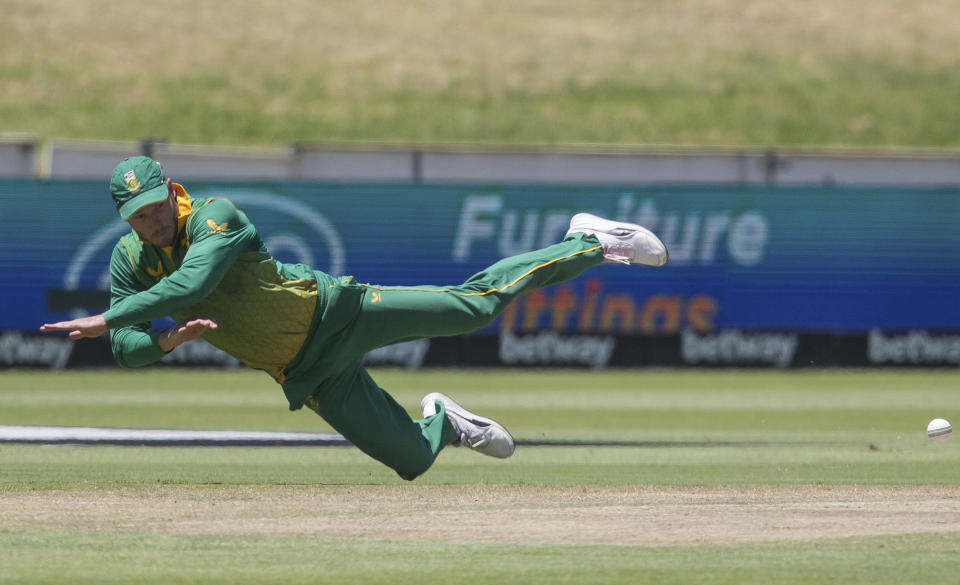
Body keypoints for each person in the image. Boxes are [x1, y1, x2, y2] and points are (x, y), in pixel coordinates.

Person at [41, 156, 668, 480]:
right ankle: (445, 422)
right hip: (307, 371)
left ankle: (589, 241)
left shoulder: (216, 216)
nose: (150, 223)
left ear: (171, 190)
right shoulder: (131, 260)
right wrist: (166, 342)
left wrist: (111, 317)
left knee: (476, 306)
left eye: (155, 209)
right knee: (411, 462)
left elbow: (195, 281)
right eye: (137, 217)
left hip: (340, 312)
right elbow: (127, 348)